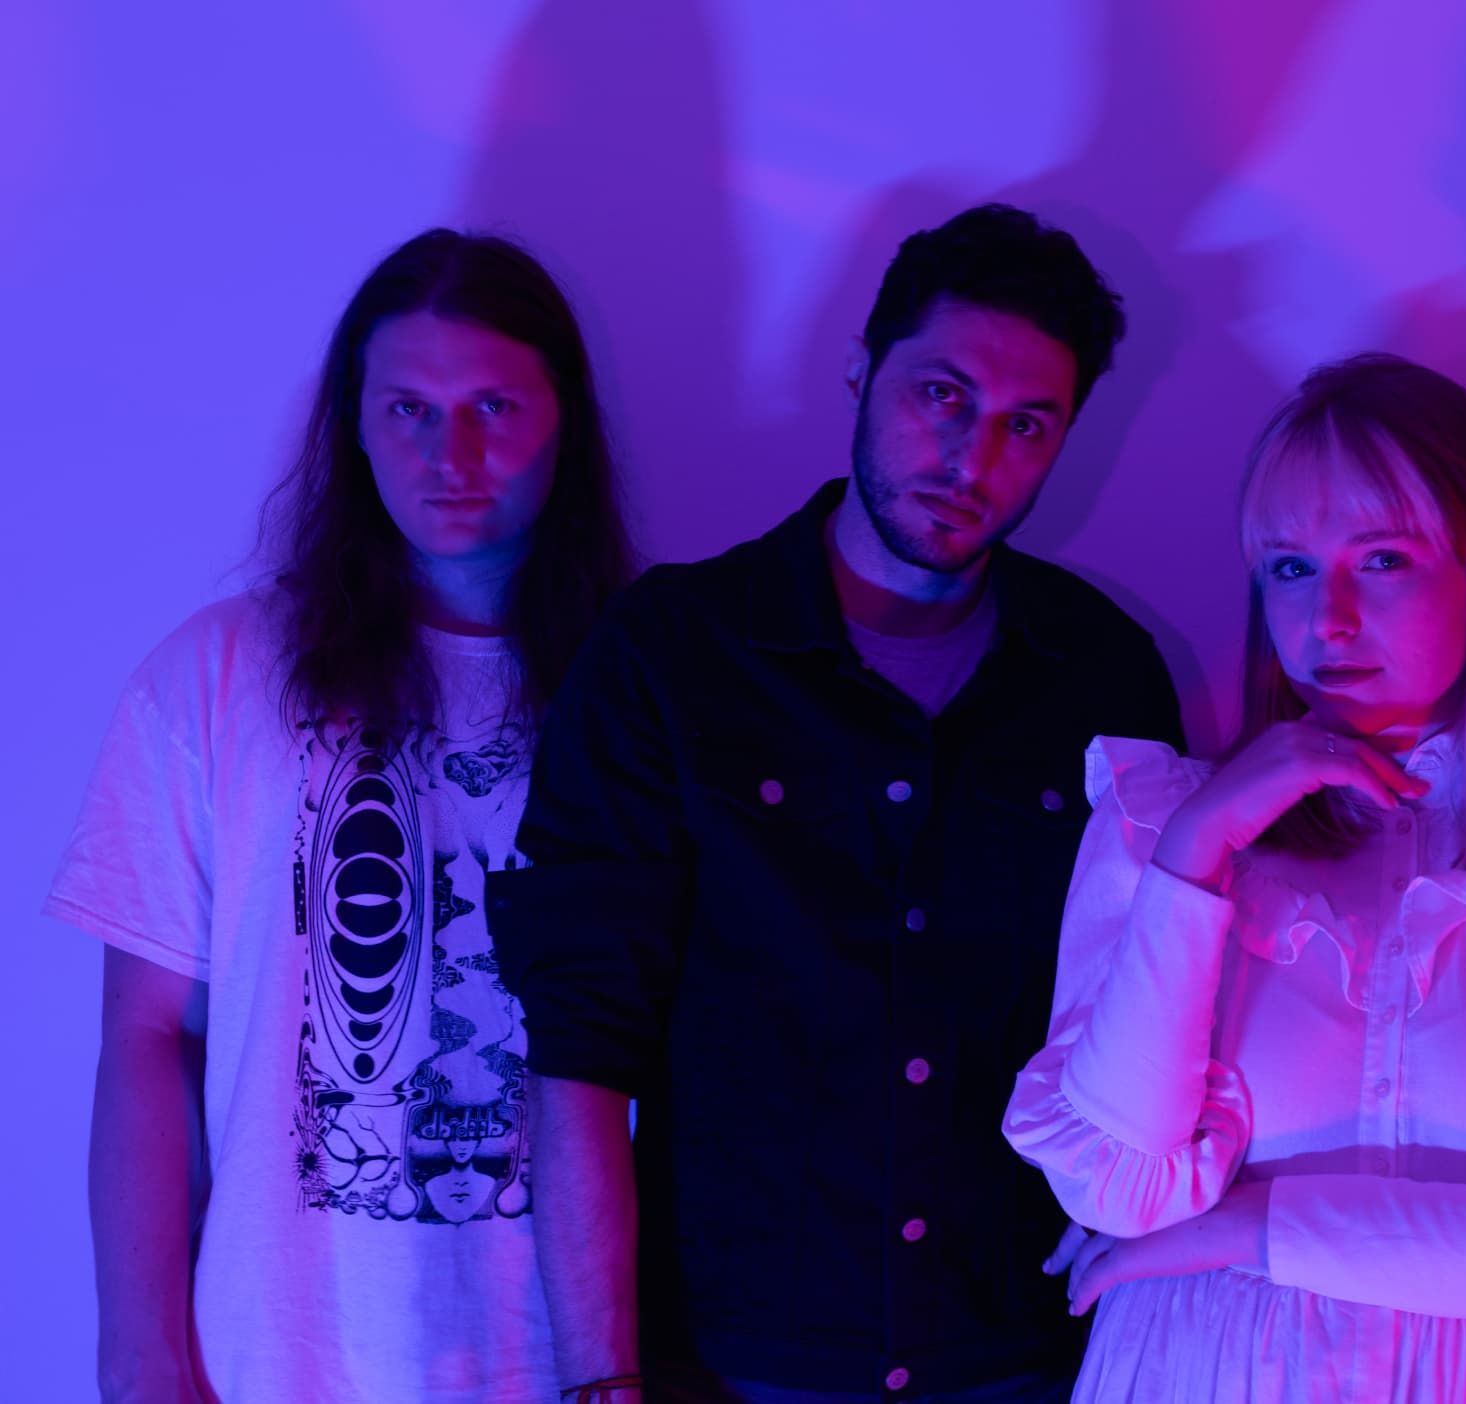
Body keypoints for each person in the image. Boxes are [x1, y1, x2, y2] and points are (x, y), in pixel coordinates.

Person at [488, 203, 1186, 1403]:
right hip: (733, 1364)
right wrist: (600, 1379)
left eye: (1028, 425)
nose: (971, 459)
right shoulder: (668, 657)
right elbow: (578, 1053)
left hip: (1019, 1357)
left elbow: (1156, 1026)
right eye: (942, 395)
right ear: (862, 369)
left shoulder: (1106, 676)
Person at [1004, 353, 1466, 1402]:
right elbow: (1111, 1182)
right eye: (1288, 567)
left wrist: (1246, 1227)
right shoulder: (1161, 824)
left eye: (1379, 560)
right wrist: (1198, 852)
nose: (1324, 619)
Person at [48, 229, 636, 1401]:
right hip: (284, 1362)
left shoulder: (649, 687)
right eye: (409, 409)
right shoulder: (213, 679)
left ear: (562, 419)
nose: (451, 453)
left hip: (576, 1363)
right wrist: (139, 1358)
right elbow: (147, 1040)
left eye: (494, 407)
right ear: (353, 425)